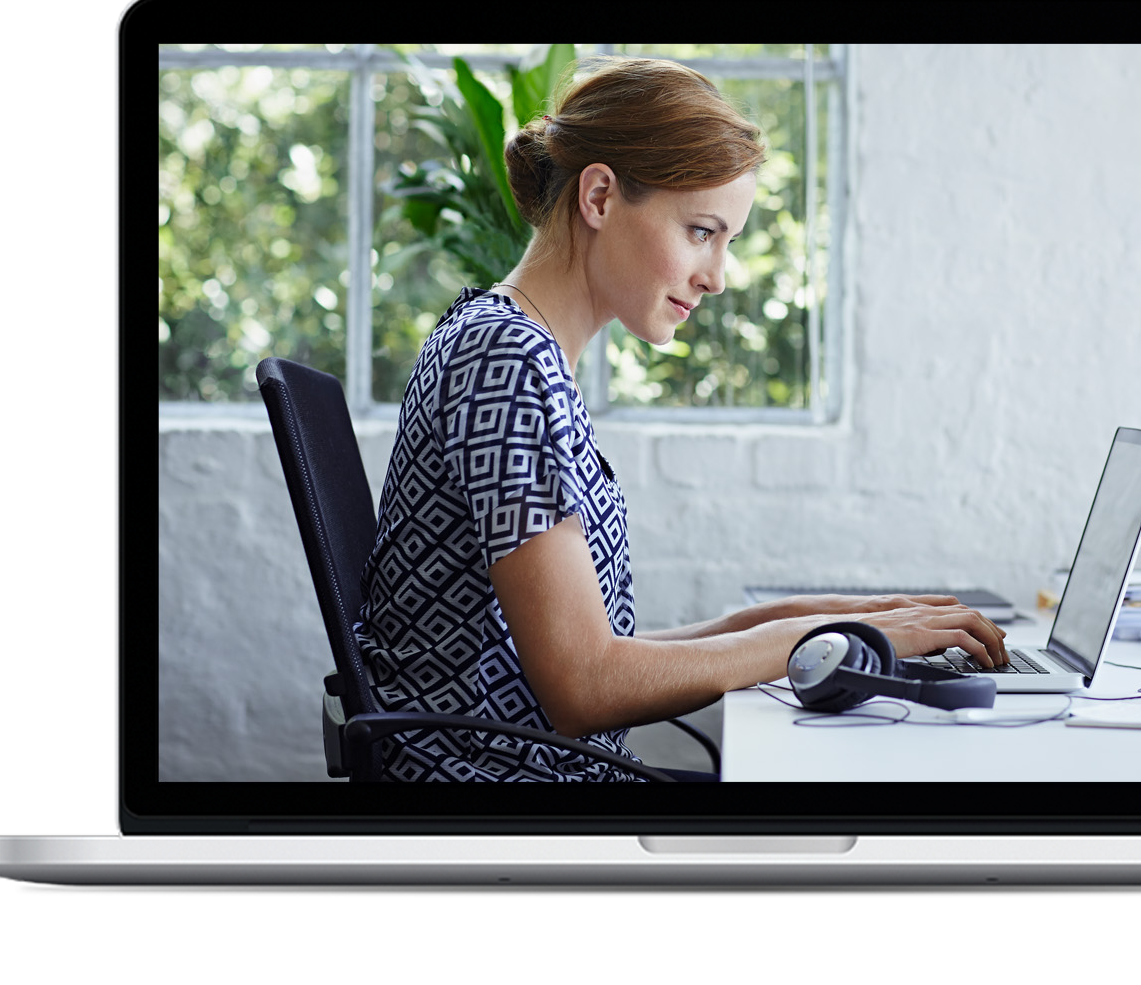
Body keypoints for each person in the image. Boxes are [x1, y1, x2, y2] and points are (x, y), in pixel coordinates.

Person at [355, 56, 1008, 782]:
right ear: (599, 196)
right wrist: (825, 631)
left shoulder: (505, 341)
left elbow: (597, 651)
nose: (717, 275)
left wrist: (849, 616)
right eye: (701, 231)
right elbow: (585, 686)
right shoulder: (506, 358)